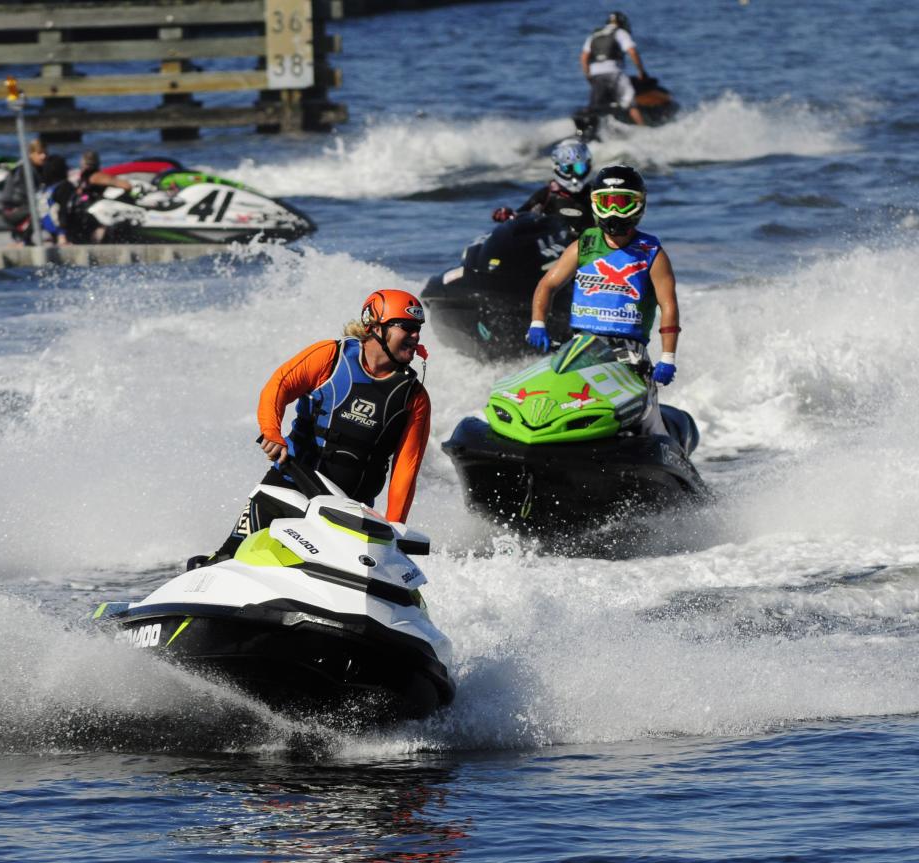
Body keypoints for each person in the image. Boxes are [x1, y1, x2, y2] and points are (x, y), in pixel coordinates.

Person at [192, 290, 434, 568]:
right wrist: (271, 432)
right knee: (230, 558)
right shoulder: (329, 358)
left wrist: (394, 528)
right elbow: (277, 388)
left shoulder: (414, 398)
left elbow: (406, 469)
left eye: (418, 330)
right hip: (288, 486)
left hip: (350, 510)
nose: (416, 337)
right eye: (408, 328)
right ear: (376, 326)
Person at [527, 164, 680, 435]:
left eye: (622, 203)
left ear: (639, 204)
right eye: (606, 202)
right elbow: (547, 284)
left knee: (647, 423)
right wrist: (538, 323)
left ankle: (669, 457)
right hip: (580, 347)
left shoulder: (652, 253)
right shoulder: (583, 246)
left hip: (630, 355)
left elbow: (668, 306)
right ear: (594, 203)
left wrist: (667, 357)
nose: (613, 211)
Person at [492, 138, 594, 229]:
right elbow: (520, 216)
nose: (574, 175)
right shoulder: (546, 195)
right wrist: (508, 216)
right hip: (556, 247)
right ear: (557, 167)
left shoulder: (595, 192)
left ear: (588, 165)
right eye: (567, 169)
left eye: (579, 168)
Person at [580, 12, 647, 127]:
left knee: (596, 107)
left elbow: (583, 58)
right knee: (630, 103)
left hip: (596, 74)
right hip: (614, 73)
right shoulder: (620, 32)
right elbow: (632, 52)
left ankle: (591, 131)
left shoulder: (594, 35)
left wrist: (589, 76)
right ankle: (644, 130)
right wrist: (641, 71)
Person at [66, 150, 134, 243]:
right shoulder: (97, 176)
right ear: (97, 163)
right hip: (94, 216)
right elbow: (126, 186)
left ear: (82, 163)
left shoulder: (81, 177)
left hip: (80, 215)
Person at [1, 137, 46, 244]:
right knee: (44, 208)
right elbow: (23, 194)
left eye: (45, 152)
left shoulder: (35, 167)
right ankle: (24, 238)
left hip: (21, 207)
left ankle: (23, 236)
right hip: (13, 209)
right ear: (31, 154)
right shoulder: (24, 170)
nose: (44, 156)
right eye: (39, 153)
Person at [35, 154, 73, 245]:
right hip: (60, 231)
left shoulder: (43, 189)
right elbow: (63, 210)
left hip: (44, 231)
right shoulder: (64, 186)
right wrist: (62, 234)